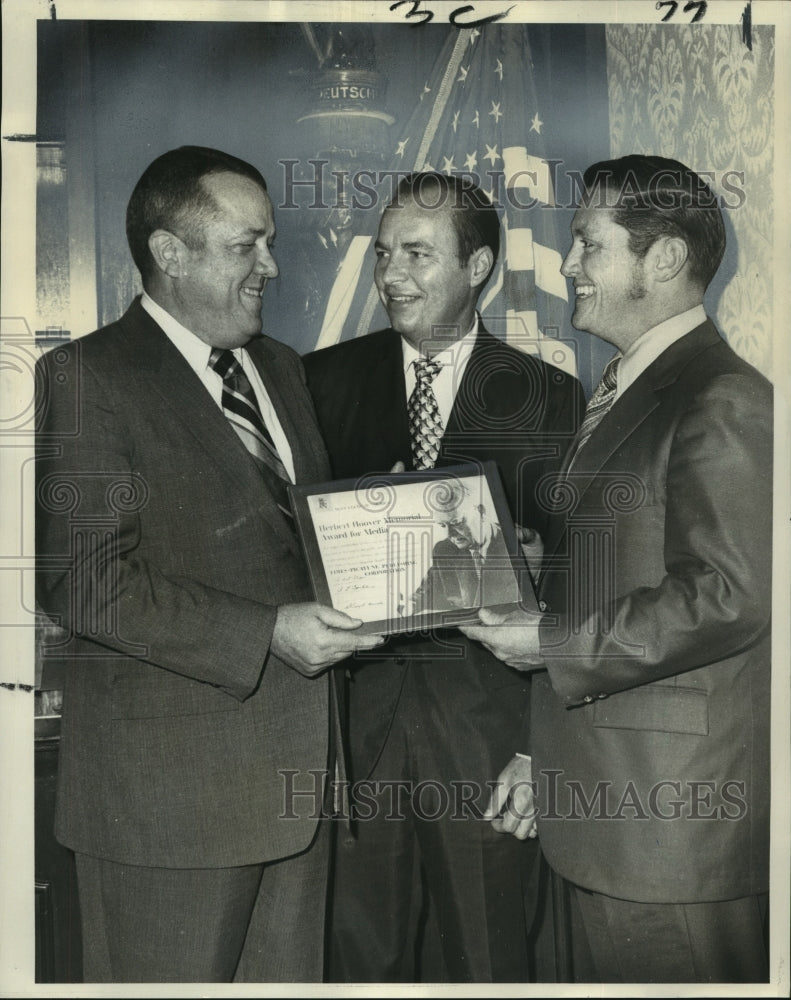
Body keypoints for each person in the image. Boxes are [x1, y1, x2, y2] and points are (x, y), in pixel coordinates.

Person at [35, 145, 384, 984]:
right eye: (245, 246)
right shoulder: (89, 376)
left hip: (298, 788)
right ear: (169, 253)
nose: (269, 265)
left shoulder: (280, 368)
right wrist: (265, 633)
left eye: (268, 242)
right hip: (168, 808)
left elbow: (284, 541)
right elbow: (82, 579)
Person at [462, 154, 772, 983]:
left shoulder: (722, 397)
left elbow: (730, 594)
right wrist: (540, 756)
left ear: (662, 259)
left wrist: (551, 645)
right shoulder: (629, 389)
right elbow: (595, 579)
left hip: (667, 835)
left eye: (585, 243)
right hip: (597, 812)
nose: (566, 265)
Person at [304, 172, 584, 982]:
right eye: (384, 253)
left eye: (418, 254)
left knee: (491, 959)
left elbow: (581, 584)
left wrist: (538, 751)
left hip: (488, 742)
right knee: (357, 963)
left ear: (480, 266)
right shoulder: (318, 384)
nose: (391, 275)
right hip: (352, 745)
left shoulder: (550, 398)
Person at [409, 479, 520, 614]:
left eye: (456, 522)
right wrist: (411, 604)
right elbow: (429, 590)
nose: (450, 534)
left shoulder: (514, 544)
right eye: (443, 525)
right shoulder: (444, 550)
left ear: (481, 511)